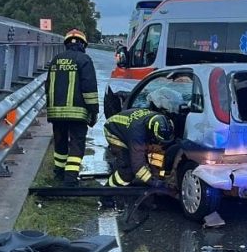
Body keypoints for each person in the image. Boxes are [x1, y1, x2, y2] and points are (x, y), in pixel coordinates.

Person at [45, 29, 99, 186]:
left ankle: (59, 173)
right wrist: (93, 111)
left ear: (67, 43)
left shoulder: (56, 59)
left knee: (60, 141)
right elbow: (89, 88)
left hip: (55, 112)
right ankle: (70, 179)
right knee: (76, 143)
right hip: (77, 113)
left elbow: (47, 85)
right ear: (83, 44)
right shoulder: (84, 60)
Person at [104, 106, 176, 189]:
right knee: (127, 171)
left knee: (155, 152)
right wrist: (154, 183)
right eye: (158, 141)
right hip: (114, 131)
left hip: (130, 128)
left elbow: (158, 154)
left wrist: (159, 176)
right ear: (150, 132)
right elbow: (138, 167)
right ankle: (107, 192)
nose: (160, 144)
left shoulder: (162, 121)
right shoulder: (137, 136)